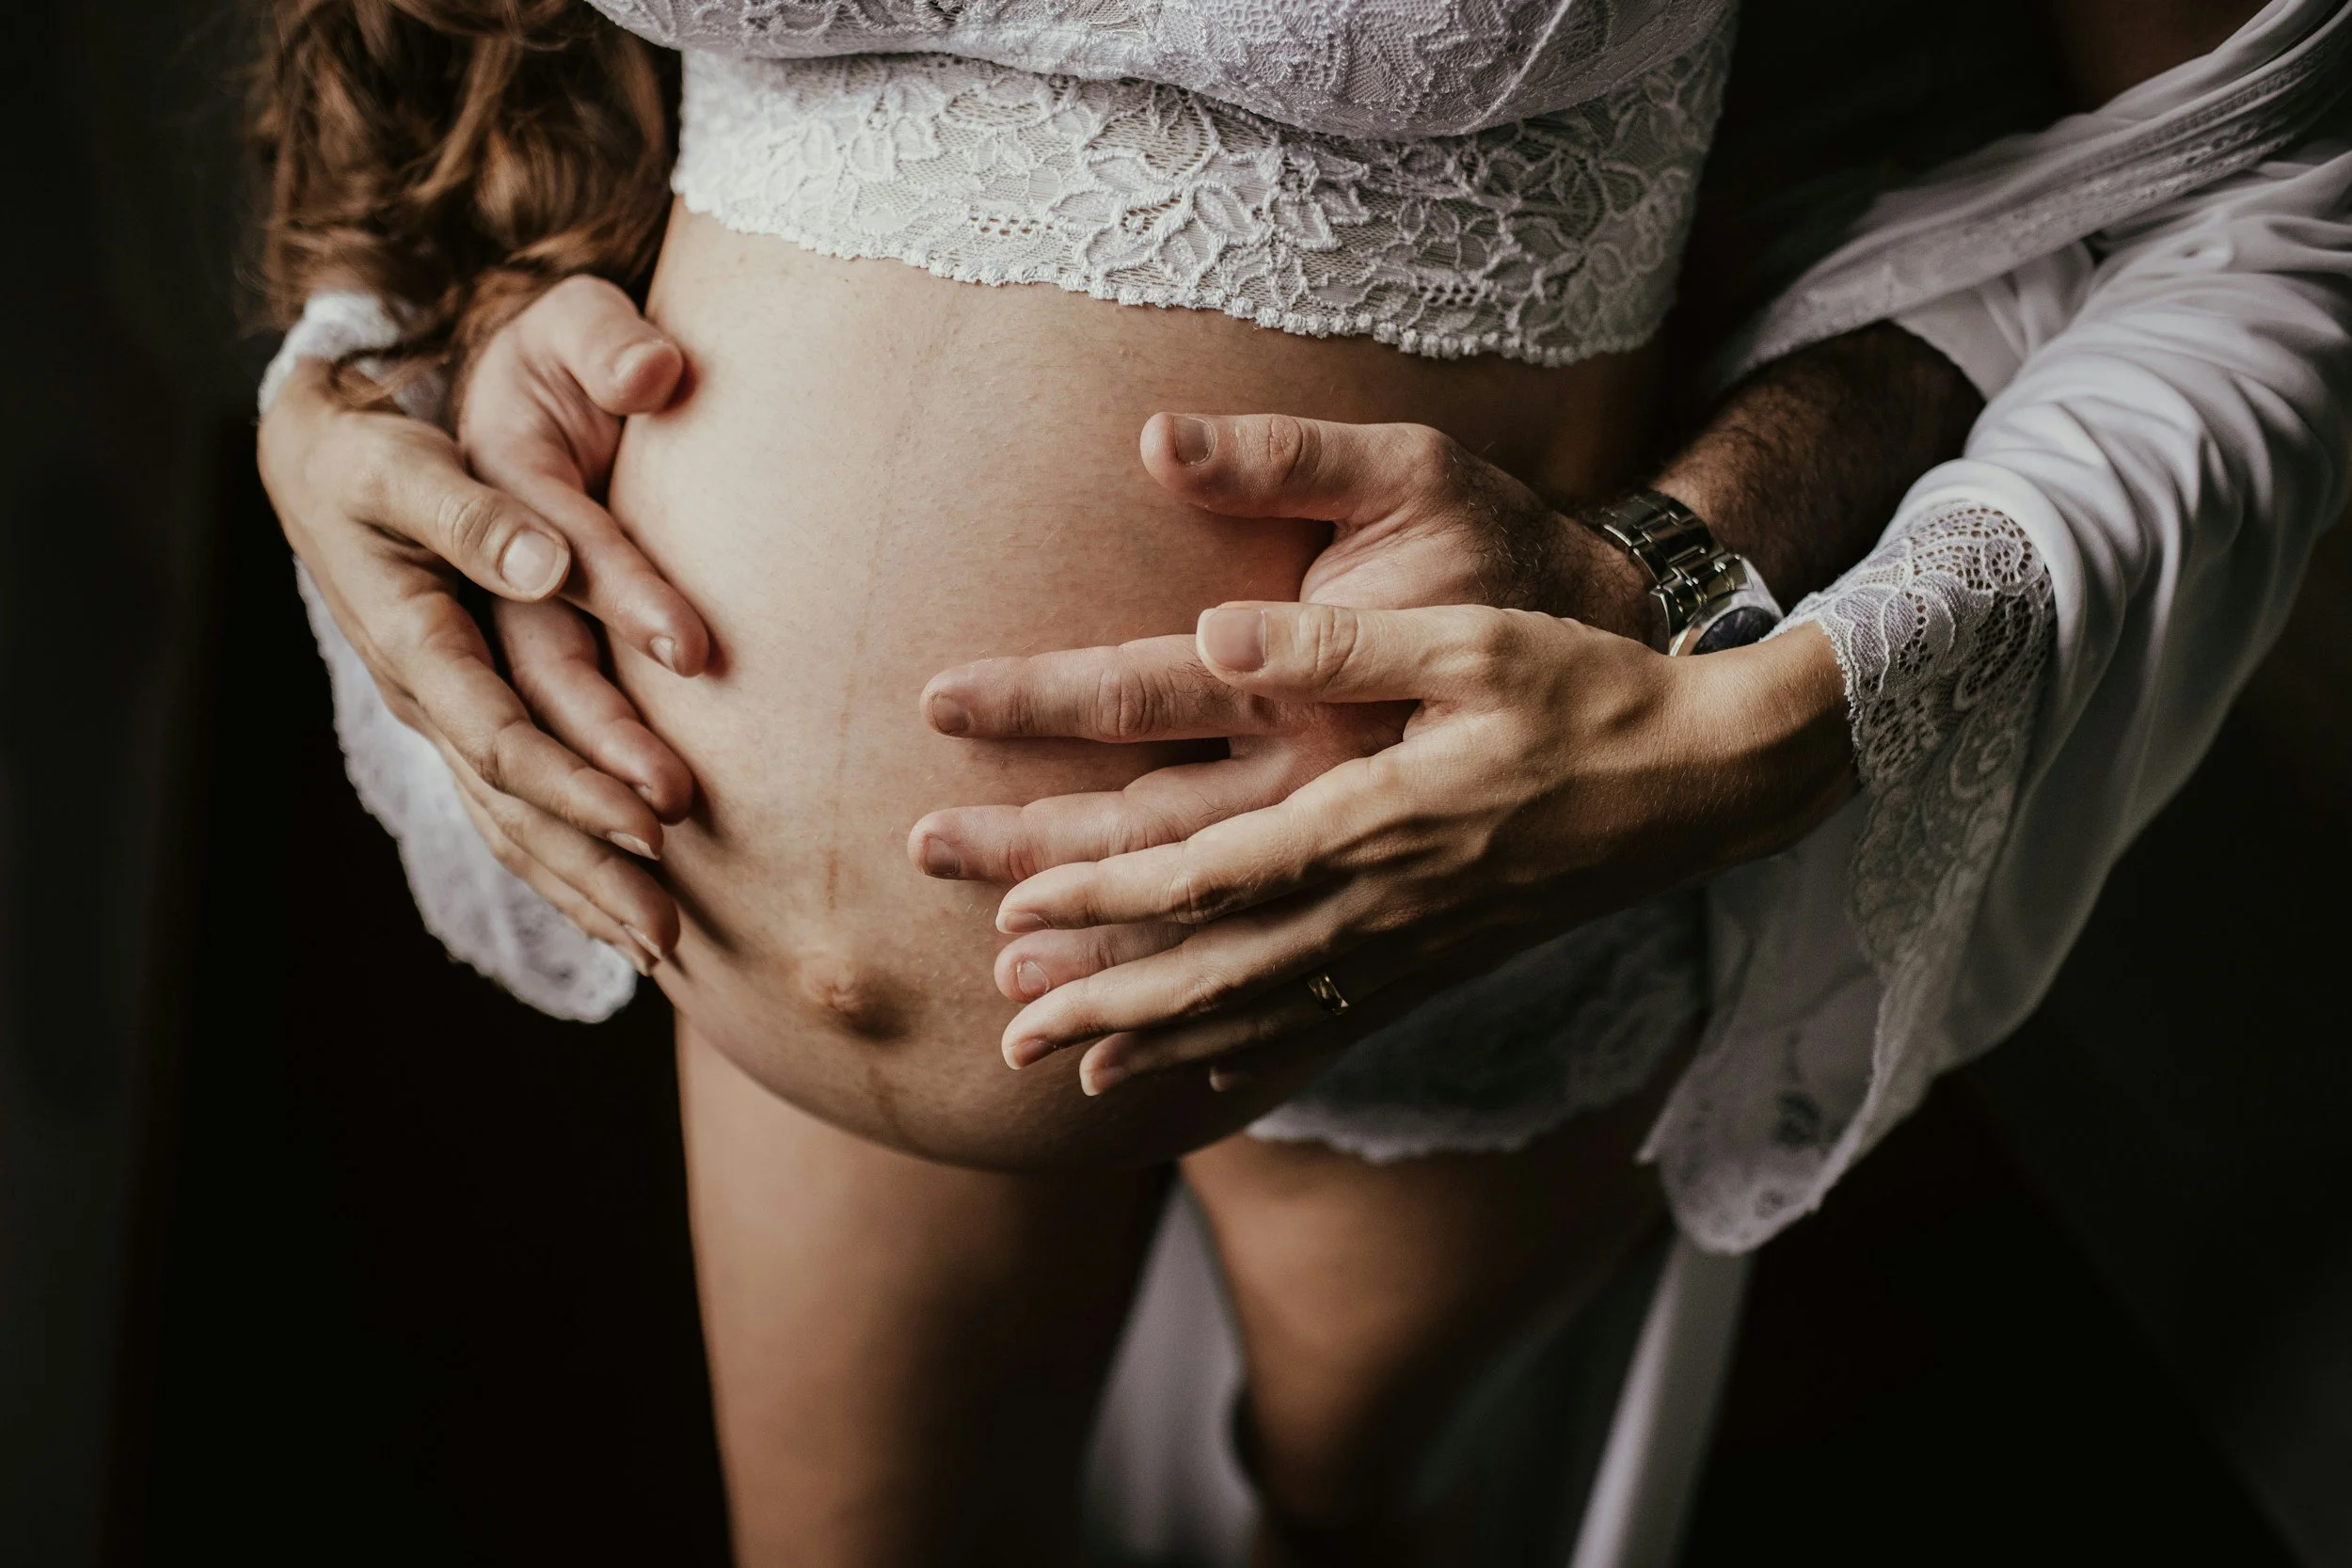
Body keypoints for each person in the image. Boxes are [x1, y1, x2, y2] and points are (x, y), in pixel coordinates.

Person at [251, 0, 2352, 1560]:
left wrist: (1737, 652)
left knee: (1349, 1522)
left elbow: (2251, 179)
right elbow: (482, 46)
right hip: (750, 963)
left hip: (1466, 916)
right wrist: (395, 342)